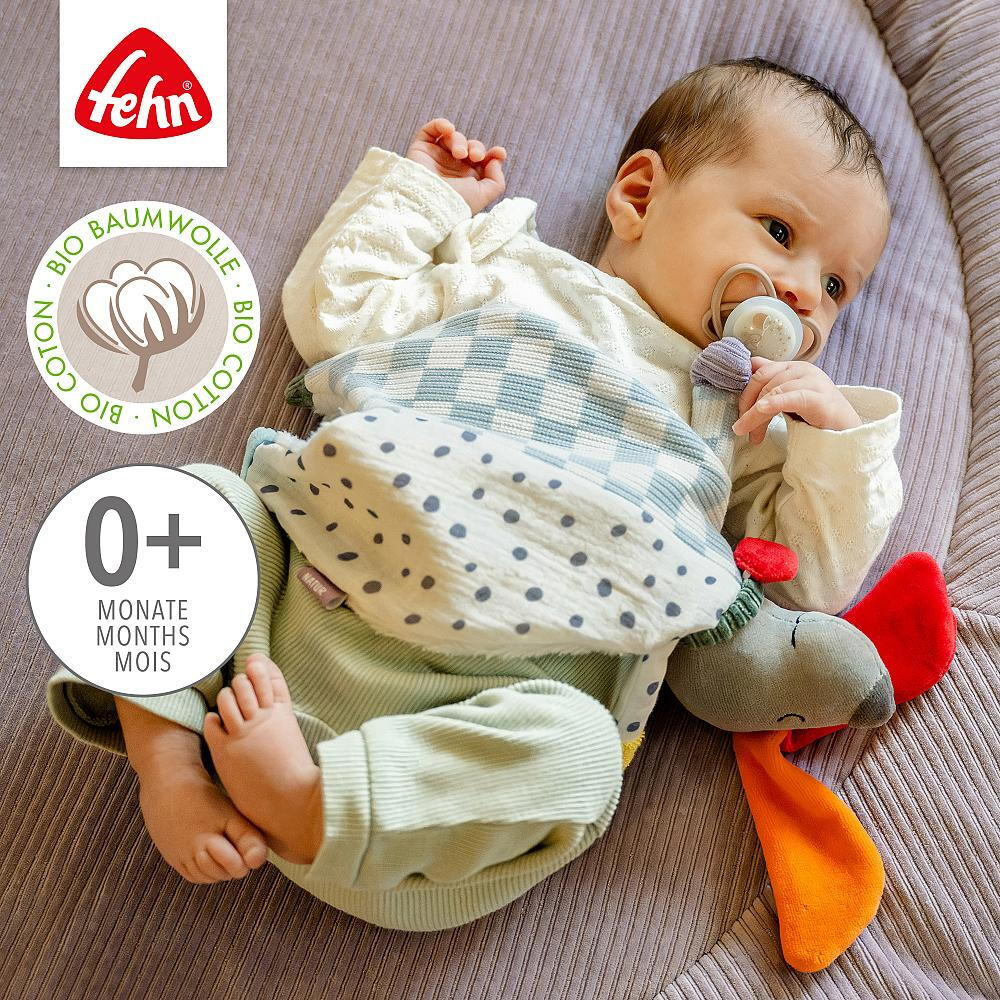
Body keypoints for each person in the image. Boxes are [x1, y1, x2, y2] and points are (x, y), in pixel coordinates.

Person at [47, 57, 903, 930]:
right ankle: (168, 756)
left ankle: (316, 804)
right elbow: (335, 311)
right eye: (779, 232)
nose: (806, 294)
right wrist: (424, 197)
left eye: (838, 286)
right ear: (640, 197)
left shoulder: (748, 426)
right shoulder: (513, 274)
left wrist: (835, 443)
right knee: (201, 505)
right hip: (296, 614)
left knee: (581, 753)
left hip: (458, 735)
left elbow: (808, 583)